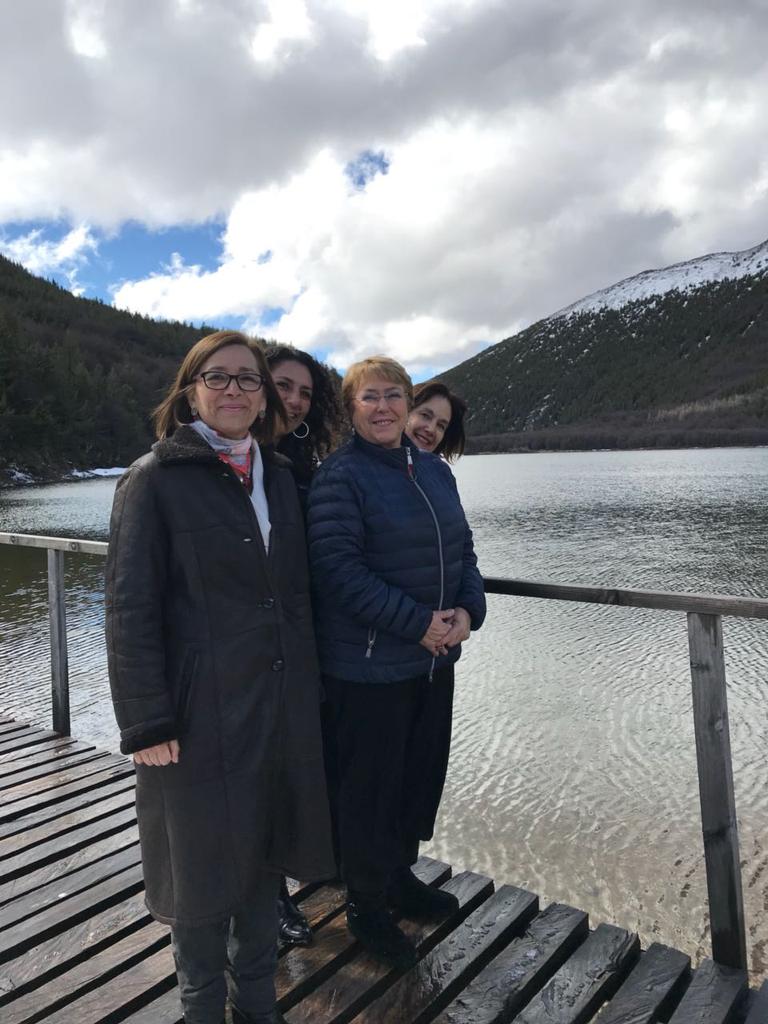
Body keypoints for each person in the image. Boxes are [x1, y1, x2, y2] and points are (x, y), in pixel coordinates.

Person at [105, 330, 334, 1024]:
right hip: (197, 716)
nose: (234, 389)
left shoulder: (282, 478)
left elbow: (297, 597)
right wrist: (146, 720)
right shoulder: (155, 479)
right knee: (200, 881)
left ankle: (259, 1009)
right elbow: (129, 606)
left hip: (277, 709)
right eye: (218, 377)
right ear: (191, 390)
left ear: (265, 399)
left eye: (248, 379)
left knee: (264, 866)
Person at [306, 355, 486, 969]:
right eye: (369, 398)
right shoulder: (341, 477)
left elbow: (462, 549)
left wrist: (468, 610)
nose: (383, 408)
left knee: (415, 776)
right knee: (369, 789)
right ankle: (366, 905)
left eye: (393, 396)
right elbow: (338, 572)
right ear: (351, 409)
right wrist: (418, 624)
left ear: (408, 404)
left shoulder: (435, 472)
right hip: (367, 668)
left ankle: (399, 876)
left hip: (431, 663)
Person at [264, 344, 344, 947]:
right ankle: (268, 899)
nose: (293, 400)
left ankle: (288, 881)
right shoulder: (222, 460)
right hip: (244, 652)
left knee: (294, 772)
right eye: (282, 386)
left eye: (305, 393)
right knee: (258, 778)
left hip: (301, 644)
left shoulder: (302, 464)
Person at [406, 381, 467, 461]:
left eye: (441, 426)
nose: (431, 429)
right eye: (425, 415)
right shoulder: (384, 466)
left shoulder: (439, 472)